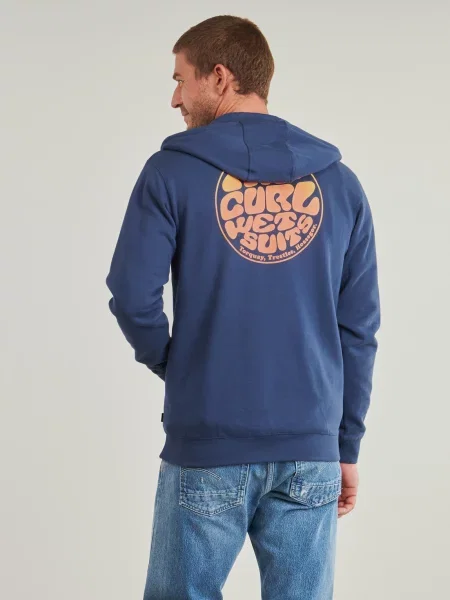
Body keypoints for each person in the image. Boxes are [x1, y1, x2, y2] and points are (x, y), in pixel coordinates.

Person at [106, 15, 380, 600]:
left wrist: (176, 364)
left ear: (219, 76)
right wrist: (345, 444)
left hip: (209, 440)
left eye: (180, 79)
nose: (174, 98)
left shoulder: (170, 173)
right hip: (310, 449)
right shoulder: (341, 185)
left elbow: (132, 295)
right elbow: (358, 328)